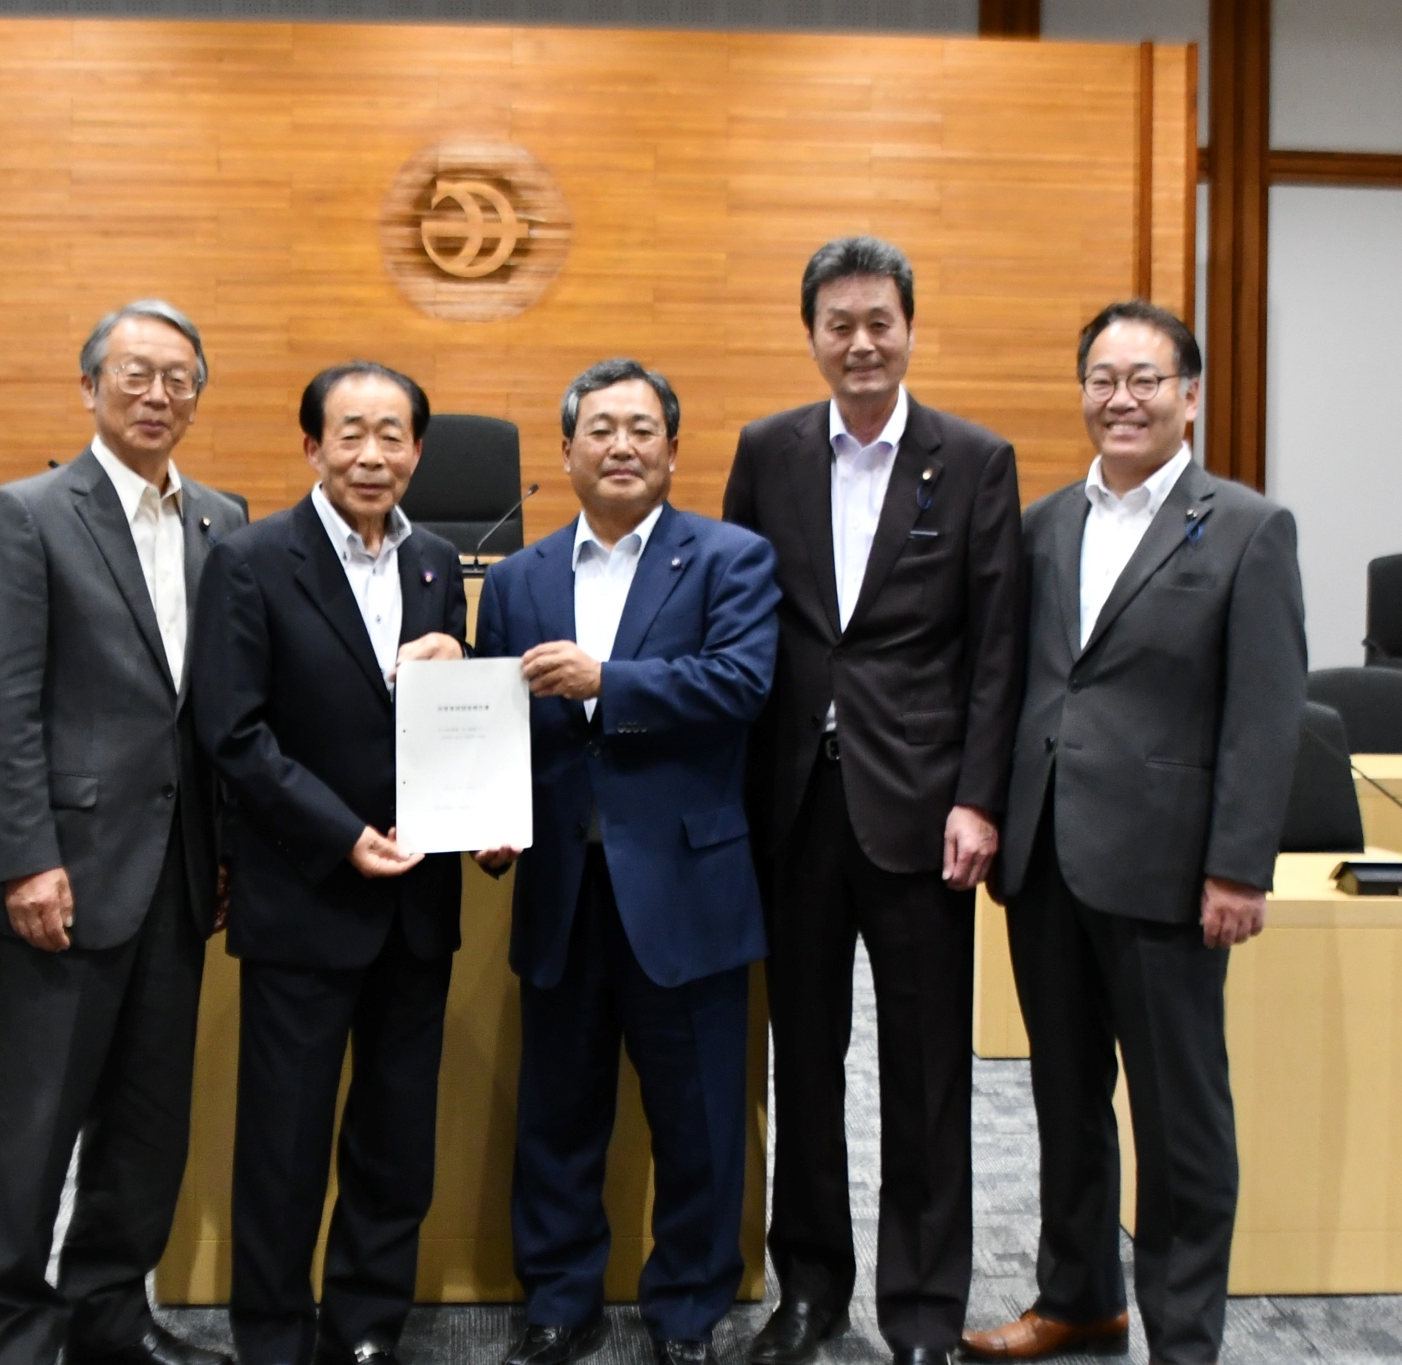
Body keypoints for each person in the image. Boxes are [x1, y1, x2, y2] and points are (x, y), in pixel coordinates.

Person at [961, 302, 1306, 1365]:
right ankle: (1076, 1298)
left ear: (1188, 395)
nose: (1120, 397)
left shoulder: (1244, 525)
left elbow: (1263, 711)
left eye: (1144, 378)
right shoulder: (1044, 522)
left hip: (1165, 873)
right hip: (1046, 858)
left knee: (1177, 1121)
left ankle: (1184, 1337)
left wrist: (1235, 867)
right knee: (1062, 1100)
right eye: (1102, 377)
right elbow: (1014, 682)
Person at [722, 236, 1024, 1365]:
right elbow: (736, 622)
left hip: (921, 810)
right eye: (837, 323)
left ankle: (923, 1311)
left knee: (926, 1070)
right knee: (800, 1062)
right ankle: (808, 1292)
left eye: (877, 322)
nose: (858, 342)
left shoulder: (973, 458)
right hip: (791, 806)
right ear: (809, 333)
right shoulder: (765, 452)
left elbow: (997, 648)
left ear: (907, 328)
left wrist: (978, 798)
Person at [475, 359, 780, 1365]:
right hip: (560, 888)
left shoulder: (730, 557)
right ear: (563, 452)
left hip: (686, 885)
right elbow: (496, 731)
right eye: (597, 429)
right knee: (556, 1112)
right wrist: (482, 814)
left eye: (640, 429)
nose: (619, 446)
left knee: (696, 1118)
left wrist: (609, 680)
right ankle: (557, 1302)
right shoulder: (517, 578)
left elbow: (739, 683)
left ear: (672, 451)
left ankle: (686, 1310)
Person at [0, 301, 246, 1365]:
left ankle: (108, 1320)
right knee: (35, 1126)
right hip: (63, 874)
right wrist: (27, 857)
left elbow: (216, 704)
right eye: (135, 375)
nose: (157, 395)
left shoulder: (223, 517)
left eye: (178, 377)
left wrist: (222, 854)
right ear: (89, 388)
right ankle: (15, 1331)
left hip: (176, 875)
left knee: (144, 1123)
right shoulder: (27, 513)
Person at [191, 361, 469, 1365]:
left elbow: (447, 725)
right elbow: (234, 732)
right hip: (306, 893)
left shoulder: (437, 561)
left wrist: (476, 808)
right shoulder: (253, 558)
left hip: (417, 904)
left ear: (417, 450)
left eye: (391, 434)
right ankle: (271, 1333)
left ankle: (364, 1327)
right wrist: (337, 833)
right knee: (284, 1142)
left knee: (395, 1142)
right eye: (349, 433)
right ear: (310, 445)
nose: (371, 455)